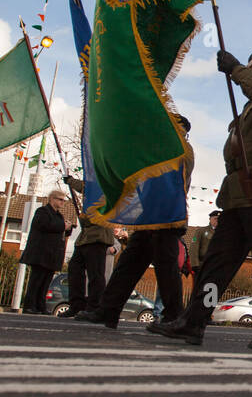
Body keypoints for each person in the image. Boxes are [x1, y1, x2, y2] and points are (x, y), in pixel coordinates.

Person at [150, 49, 252, 349]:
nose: (247, 68)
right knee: (216, 264)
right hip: (239, 193)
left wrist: (235, 70)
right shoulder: (250, 108)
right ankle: (194, 322)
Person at [77, 117, 195, 330]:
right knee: (128, 264)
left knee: (166, 266)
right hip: (149, 215)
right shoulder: (160, 148)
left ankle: (173, 315)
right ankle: (108, 310)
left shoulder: (183, 150)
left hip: (168, 215)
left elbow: (171, 181)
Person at [63, 176, 116, 317]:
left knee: (95, 275)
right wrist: (71, 181)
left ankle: (94, 306)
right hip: (85, 238)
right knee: (75, 270)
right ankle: (76, 304)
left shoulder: (107, 186)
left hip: (98, 237)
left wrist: (71, 181)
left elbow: (87, 188)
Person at [19, 191, 71, 314]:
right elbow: (46, 225)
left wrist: (67, 228)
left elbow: (60, 229)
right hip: (41, 253)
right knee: (36, 280)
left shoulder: (59, 215)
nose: (62, 202)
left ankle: (40, 305)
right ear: (52, 199)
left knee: (46, 282)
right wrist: (63, 226)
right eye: (60, 199)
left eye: (64, 200)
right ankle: (30, 305)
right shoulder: (42, 212)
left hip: (52, 255)